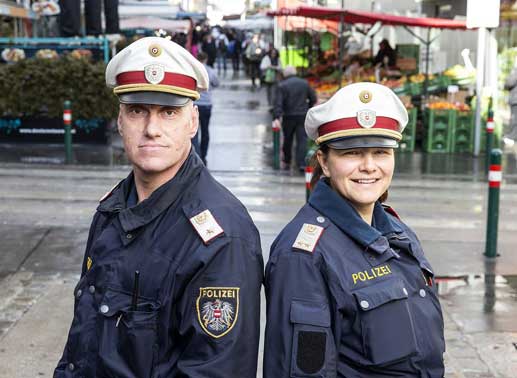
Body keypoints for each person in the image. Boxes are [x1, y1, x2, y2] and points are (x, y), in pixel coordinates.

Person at [54, 37, 263, 378]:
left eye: (169, 112)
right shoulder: (112, 209)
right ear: (120, 121)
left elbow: (214, 369)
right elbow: (85, 338)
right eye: (138, 111)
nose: (152, 129)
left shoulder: (223, 236)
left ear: (192, 121)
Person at [264, 82, 445, 377]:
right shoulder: (303, 257)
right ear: (323, 160)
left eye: (381, 152)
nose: (369, 166)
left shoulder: (398, 232)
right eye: (352, 153)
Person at [273, 66, 317, 171]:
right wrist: (308, 108)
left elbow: (278, 103)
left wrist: (277, 117)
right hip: (302, 115)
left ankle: (287, 161)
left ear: (285, 74)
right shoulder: (304, 83)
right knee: (302, 140)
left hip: (288, 115)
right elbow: (313, 98)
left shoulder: (282, 85)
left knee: (288, 139)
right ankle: (301, 163)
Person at [193, 51, 219, 165]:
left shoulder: (193, 71)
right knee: (205, 130)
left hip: (195, 103)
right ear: (206, 59)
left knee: (194, 131)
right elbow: (216, 83)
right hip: (207, 104)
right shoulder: (210, 71)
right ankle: (203, 155)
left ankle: (196, 154)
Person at [504, 58, 517, 140]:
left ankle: (512, 137)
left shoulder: (515, 72)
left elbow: (509, 83)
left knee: (514, 118)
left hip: (516, 99)